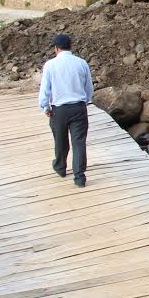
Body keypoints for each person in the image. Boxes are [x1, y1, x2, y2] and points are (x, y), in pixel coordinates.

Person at [38, 33, 94, 187]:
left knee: (60, 140)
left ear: (56, 48)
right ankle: (79, 178)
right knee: (79, 142)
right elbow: (89, 87)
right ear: (71, 47)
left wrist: (45, 106)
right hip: (78, 107)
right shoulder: (82, 63)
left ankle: (60, 167)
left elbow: (45, 90)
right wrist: (86, 101)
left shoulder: (50, 65)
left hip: (59, 110)